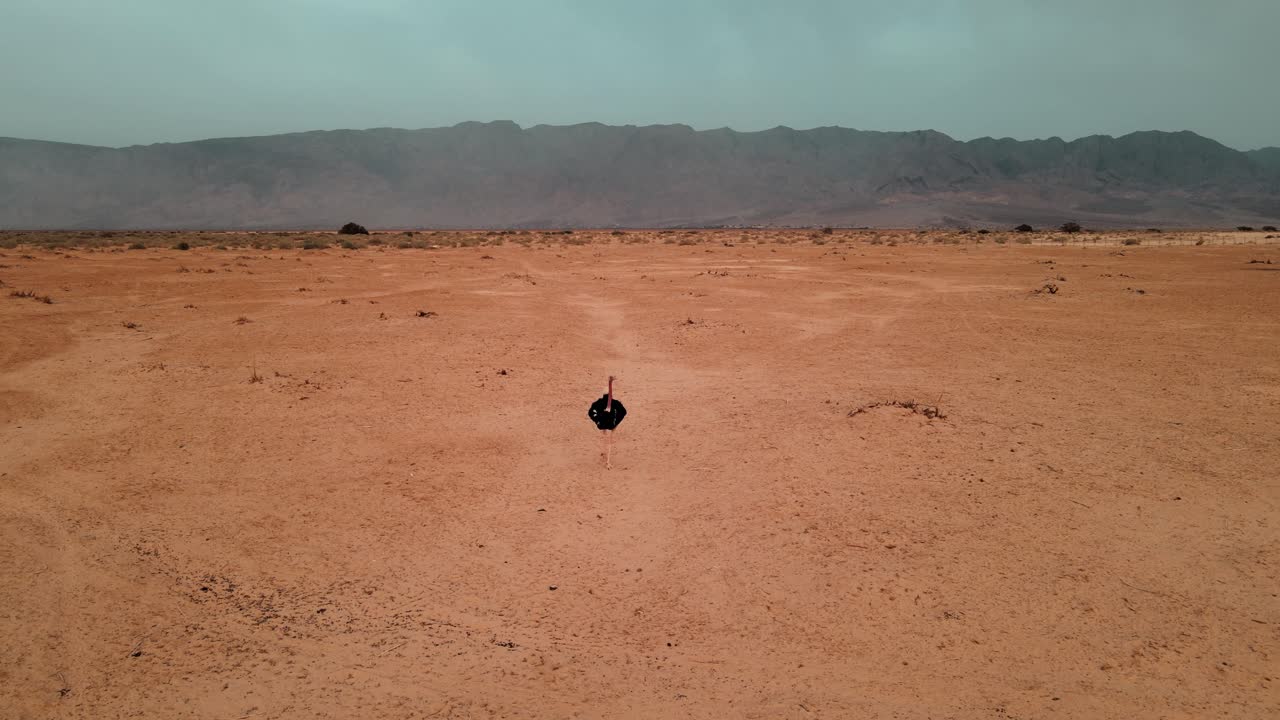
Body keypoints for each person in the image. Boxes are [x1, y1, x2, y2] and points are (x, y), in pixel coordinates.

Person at [588, 376, 626, 468]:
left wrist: (597, 420)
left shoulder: (597, 403)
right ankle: (608, 462)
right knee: (609, 441)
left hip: (602, 423)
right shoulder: (615, 403)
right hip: (610, 423)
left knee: (604, 435)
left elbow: (591, 413)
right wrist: (616, 422)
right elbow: (624, 412)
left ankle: (603, 453)